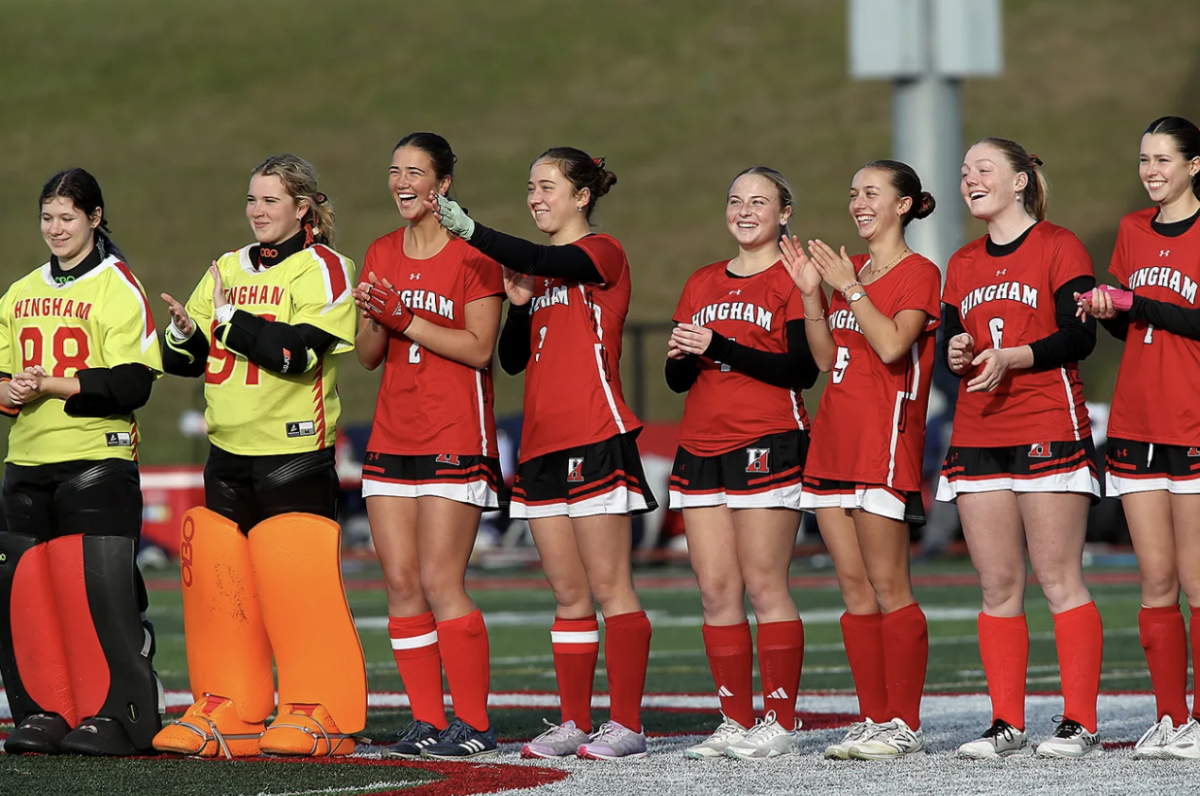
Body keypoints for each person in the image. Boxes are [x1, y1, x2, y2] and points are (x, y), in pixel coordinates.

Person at [430, 148, 656, 760]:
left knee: (612, 588)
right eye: (530, 186)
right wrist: (522, 304)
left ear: (582, 196)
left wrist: (470, 231)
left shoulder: (600, 252)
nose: (535, 197)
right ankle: (576, 722)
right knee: (568, 595)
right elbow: (511, 358)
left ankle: (628, 725)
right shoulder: (543, 273)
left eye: (547, 186)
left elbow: (536, 255)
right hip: (541, 446)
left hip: (594, 436)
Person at [153, 154, 366, 758]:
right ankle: (233, 703)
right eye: (252, 199)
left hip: (293, 448)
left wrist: (229, 320)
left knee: (297, 582)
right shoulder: (224, 266)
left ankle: (317, 704)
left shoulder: (327, 267)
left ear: (302, 207)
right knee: (227, 586)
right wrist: (186, 334)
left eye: (270, 200)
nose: (257, 211)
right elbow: (184, 361)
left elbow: (296, 356)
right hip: (228, 449)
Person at [939, 138, 1102, 759]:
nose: (969, 179)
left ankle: (1079, 722)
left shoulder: (1060, 245)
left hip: (1047, 424)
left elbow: (1078, 338)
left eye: (983, 169)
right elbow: (953, 343)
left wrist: (1015, 357)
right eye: (963, 171)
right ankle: (1006, 721)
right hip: (979, 431)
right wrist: (955, 352)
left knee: (1059, 579)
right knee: (997, 585)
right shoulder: (961, 261)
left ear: (1019, 182)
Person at [352, 132, 504, 759]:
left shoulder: (475, 257)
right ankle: (425, 720)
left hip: (453, 435)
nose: (402, 181)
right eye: (395, 170)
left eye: (416, 171)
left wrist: (404, 317)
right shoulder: (381, 251)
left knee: (443, 581)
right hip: (393, 434)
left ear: (443, 184)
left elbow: (480, 348)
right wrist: (373, 314)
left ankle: (473, 723)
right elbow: (366, 357)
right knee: (401, 584)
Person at [0, 168, 163, 756]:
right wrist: (11, 392)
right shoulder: (18, 292)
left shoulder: (118, 286)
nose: (56, 228)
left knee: (100, 594)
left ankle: (119, 710)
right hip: (26, 463)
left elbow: (134, 383)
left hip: (96, 459)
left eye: (67, 217)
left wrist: (53, 385)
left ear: (95, 218)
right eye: (47, 217)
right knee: (27, 597)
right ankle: (47, 708)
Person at [783, 160, 941, 759]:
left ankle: (903, 724)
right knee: (853, 589)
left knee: (889, 586)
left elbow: (895, 344)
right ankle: (874, 719)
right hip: (834, 441)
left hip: (883, 443)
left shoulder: (918, 271)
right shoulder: (859, 270)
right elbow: (826, 360)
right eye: (853, 193)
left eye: (872, 193)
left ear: (903, 205)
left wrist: (851, 287)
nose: (858, 203)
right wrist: (810, 296)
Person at [665, 167, 818, 760]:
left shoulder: (794, 279)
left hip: (768, 439)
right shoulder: (702, 279)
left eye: (760, 202)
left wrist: (720, 346)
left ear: (784, 214)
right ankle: (734, 718)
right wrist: (684, 352)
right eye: (736, 200)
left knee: (763, 584)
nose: (745, 210)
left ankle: (779, 721)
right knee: (715, 590)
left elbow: (801, 370)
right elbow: (679, 377)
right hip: (700, 444)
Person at [1076, 116, 1200, 760]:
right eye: (1144, 159)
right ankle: (1172, 718)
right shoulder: (1130, 229)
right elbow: (1132, 324)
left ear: (1194, 166)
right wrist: (1106, 310)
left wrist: (1135, 306)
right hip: (1136, 421)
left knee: (1197, 579)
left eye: (1163, 159)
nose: (1151, 170)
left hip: (1194, 421)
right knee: (1154, 581)